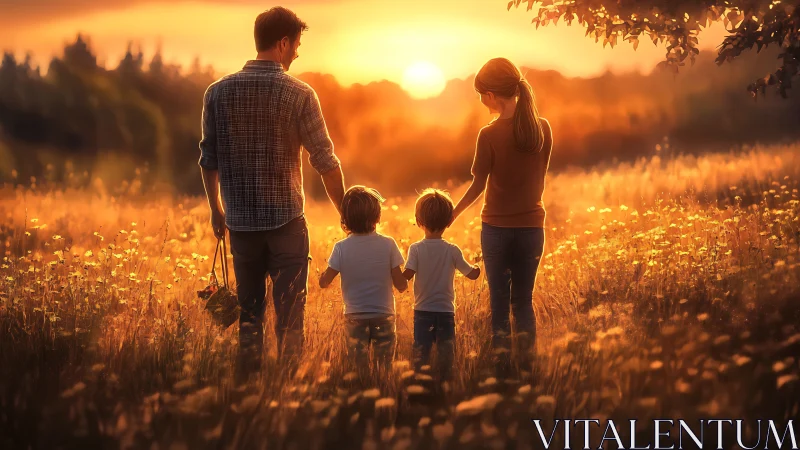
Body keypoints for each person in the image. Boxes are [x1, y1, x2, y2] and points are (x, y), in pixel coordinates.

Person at [198, 7, 346, 382]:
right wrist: (346, 212)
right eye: (296, 45)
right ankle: (287, 388)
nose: (297, 53)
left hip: (241, 225)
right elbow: (326, 161)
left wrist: (217, 211)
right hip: (287, 226)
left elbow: (208, 160)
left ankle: (248, 388)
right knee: (290, 317)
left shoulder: (216, 93)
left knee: (249, 315)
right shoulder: (300, 94)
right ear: (283, 43)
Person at [452, 57, 553, 379]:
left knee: (499, 304)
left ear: (493, 95)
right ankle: (528, 367)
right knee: (522, 302)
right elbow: (540, 178)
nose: (482, 101)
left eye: (483, 94)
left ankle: (502, 370)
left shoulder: (489, 134)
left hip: (496, 229)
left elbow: (477, 186)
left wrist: (450, 215)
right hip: (533, 228)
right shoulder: (542, 129)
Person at [319, 186, 407, 378]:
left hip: (354, 316)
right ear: (377, 216)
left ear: (346, 219)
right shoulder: (389, 244)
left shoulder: (340, 247)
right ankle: (383, 393)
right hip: (383, 315)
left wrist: (321, 276)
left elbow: (324, 282)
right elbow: (401, 285)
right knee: (385, 367)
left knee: (358, 367)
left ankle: (361, 392)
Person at [403, 189, 480, 381]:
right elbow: (471, 274)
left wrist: (390, 271)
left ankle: (421, 385)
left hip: (422, 311)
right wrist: (479, 264)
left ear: (419, 221)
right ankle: (446, 384)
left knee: (421, 353)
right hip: (446, 312)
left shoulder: (416, 249)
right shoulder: (452, 250)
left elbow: (407, 275)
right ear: (448, 221)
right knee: (446, 354)